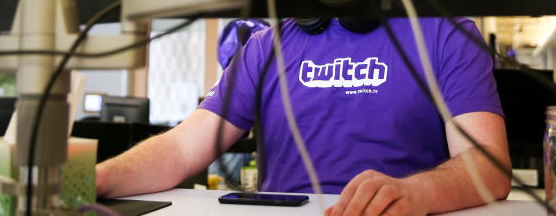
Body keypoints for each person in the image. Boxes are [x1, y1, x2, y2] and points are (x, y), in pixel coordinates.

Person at [96, 18, 511, 216]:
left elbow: (489, 167)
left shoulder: (446, 34)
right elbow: (182, 147)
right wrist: (91, 179)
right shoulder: (264, 47)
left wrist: (418, 193)